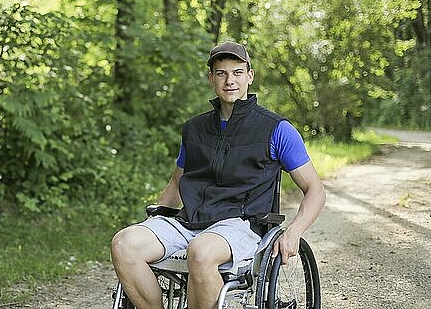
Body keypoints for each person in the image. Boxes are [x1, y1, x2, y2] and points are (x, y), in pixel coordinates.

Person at [110, 41, 326, 309]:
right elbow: (178, 182)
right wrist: (154, 219)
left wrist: (294, 231)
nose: (230, 81)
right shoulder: (195, 129)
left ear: (250, 75)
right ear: (211, 78)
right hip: (190, 221)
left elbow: (315, 189)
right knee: (124, 244)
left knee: (200, 252)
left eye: (237, 72)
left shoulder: (276, 129)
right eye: (221, 73)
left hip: (241, 224)